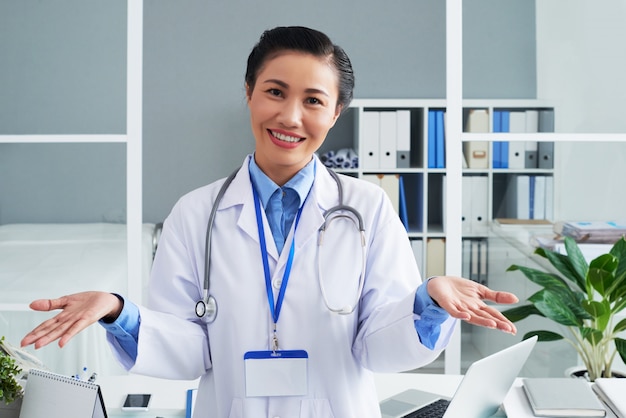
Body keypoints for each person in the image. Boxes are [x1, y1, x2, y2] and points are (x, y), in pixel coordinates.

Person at [21, 26, 518, 417]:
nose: (291, 116)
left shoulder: (367, 208)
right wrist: (118, 310)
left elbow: (378, 344)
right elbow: (188, 350)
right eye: (275, 92)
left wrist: (426, 301)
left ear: (336, 112)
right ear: (249, 93)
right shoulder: (196, 214)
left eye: (314, 101)